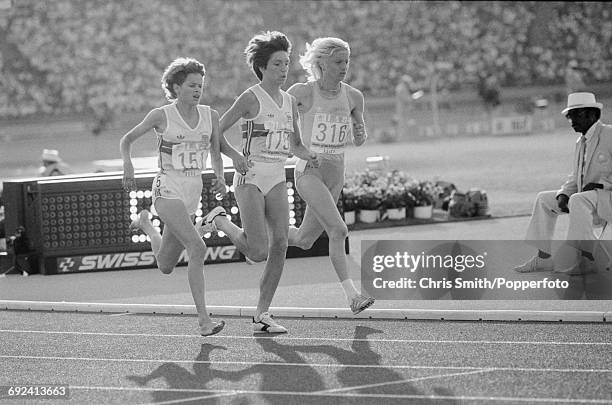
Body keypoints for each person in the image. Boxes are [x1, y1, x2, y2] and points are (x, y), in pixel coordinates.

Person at [201, 31, 320, 334]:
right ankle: (222, 222)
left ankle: (261, 314)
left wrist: (313, 155)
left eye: (286, 63)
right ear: (263, 67)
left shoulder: (291, 102)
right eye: (278, 64)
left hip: (277, 175)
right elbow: (216, 132)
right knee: (257, 252)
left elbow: (295, 145)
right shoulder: (250, 97)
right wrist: (233, 157)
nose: (283, 70)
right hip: (250, 176)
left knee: (280, 244)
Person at [119, 57, 226, 336]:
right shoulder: (162, 115)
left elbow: (215, 152)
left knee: (166, 265)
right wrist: (128, 165)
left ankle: (145, 223)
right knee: (198, 248)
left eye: (200, 85)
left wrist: (221, 177)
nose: (197, 90)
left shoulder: (210, 116)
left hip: (192, 192)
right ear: (176, 87)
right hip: (167, 189)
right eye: (191, 85)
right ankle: (204, 321)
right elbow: (127, 140)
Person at [283, 37, 375, 314]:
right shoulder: (302, 92)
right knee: (339, 230)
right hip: (309, 171)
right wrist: (294, 146)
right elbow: (280, 120)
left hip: (336, 174)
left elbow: (359, 137)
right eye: (338, 62)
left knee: (303, 239)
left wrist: (360, 133)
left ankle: (258, 234)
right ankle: (353, 296)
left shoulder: (354, 96)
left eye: (347, 61)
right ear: (321, 62)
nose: (344, 66)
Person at [514, 92, 612, 274]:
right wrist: (563, 194)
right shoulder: (580, 142)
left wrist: (600, 186)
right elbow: (576, 177)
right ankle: (544, 259)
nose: (571, 120)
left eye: (576, 114)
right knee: (544, 199)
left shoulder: (609, 134)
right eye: (569, 115)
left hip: (607, 199)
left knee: (578, 200)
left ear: (592, 114)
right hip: (587, 198)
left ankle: (586, 260)